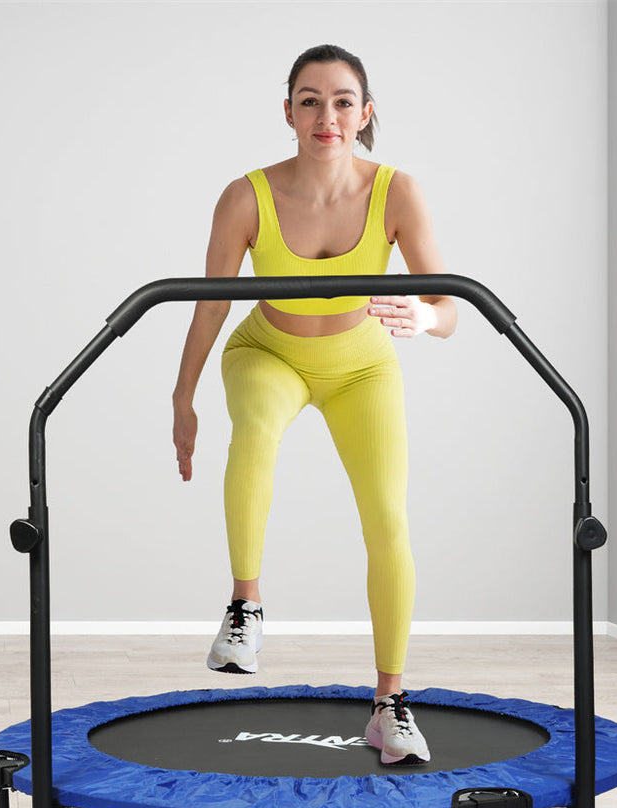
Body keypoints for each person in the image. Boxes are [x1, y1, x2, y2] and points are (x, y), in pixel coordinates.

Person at [172, 43, 457, 765]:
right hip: (269, 352)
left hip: (362, 366)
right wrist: (183, 397)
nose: (326, 116)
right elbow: (209, 307)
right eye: (309, 101)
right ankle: (245, 609)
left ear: (365, 114)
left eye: (341, 102)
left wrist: (425, 315)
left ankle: (389, 705)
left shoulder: (397, 192)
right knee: (255, 432)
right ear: (289, 112)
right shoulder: (246, 197)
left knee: (388, 518)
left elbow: (448, 307)